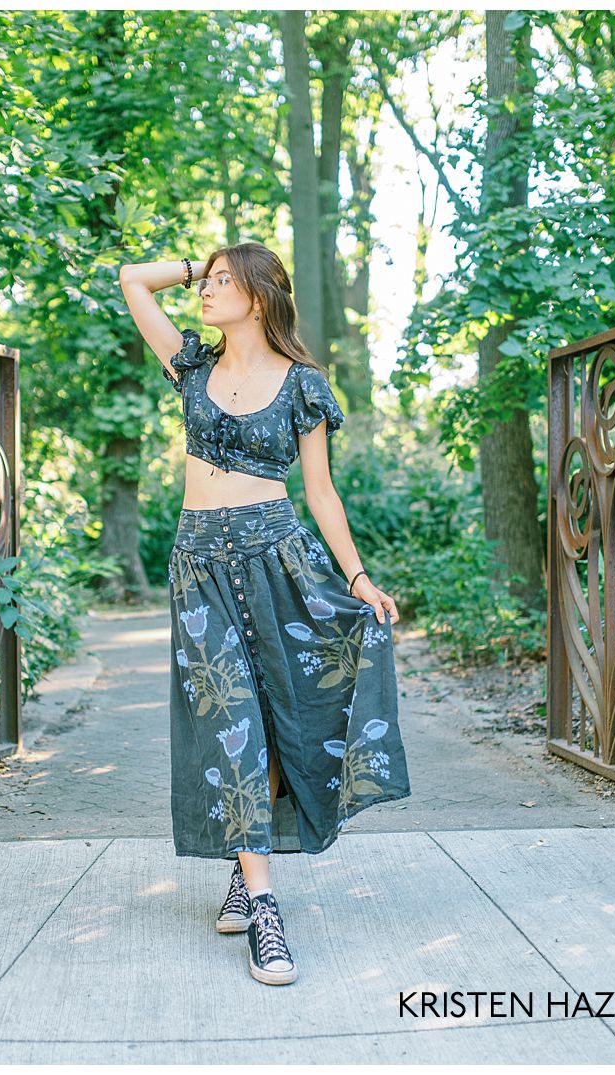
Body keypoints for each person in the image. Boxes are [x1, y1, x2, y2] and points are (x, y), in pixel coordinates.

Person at [119, 242, 412, 986]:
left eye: (224, 282)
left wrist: (359, 575)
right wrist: (197, 264)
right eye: (206, 281)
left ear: (260, 295)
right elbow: (132, 279)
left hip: (278, 558)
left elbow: (321, 494)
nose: (207, 291)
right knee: (231, 719)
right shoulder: (191, 363)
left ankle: (248, 879)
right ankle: (266, 904)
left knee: (279, 720)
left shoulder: (303, 385)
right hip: (199, 564)